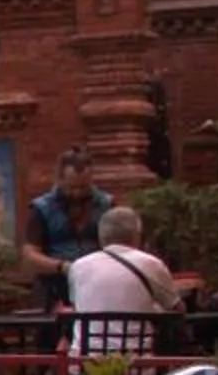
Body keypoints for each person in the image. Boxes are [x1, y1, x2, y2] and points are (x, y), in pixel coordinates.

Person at [64, 205, 178, 351]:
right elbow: (177, 309)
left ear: (101, 237)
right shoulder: (151, 264)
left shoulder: (78, 266)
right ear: (136, 235)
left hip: (85, 362)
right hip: (138, 362)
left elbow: (77, 307)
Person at [23, 147, 113, 312]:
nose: (77, 193)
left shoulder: (106, 204)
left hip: (97, 283)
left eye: (83, 187)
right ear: (60, 179)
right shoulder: (42, 208)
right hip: (54, 285)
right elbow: (30, 256)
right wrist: (62, 266)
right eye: (72, 187)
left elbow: (119, 248)